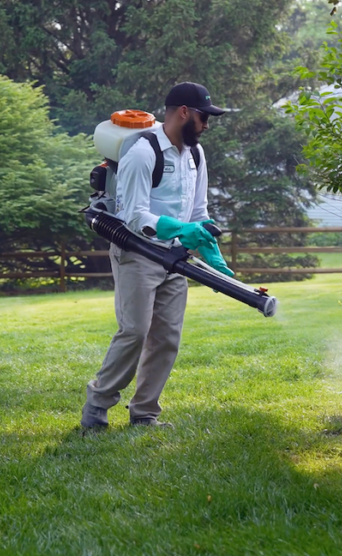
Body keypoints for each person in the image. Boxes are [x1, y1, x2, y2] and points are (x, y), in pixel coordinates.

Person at [81, 82, 234, 430]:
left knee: (166, 338)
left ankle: (145, 413)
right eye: (203, 118)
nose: (206, 125)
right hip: (137, 252)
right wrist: (181, 230)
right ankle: (97, 407)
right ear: (183, 113)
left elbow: (199, 211)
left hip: (175, 258)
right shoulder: (143, 153)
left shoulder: (195, 154)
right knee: (135, 331)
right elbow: (134, 216)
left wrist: (210, 250)